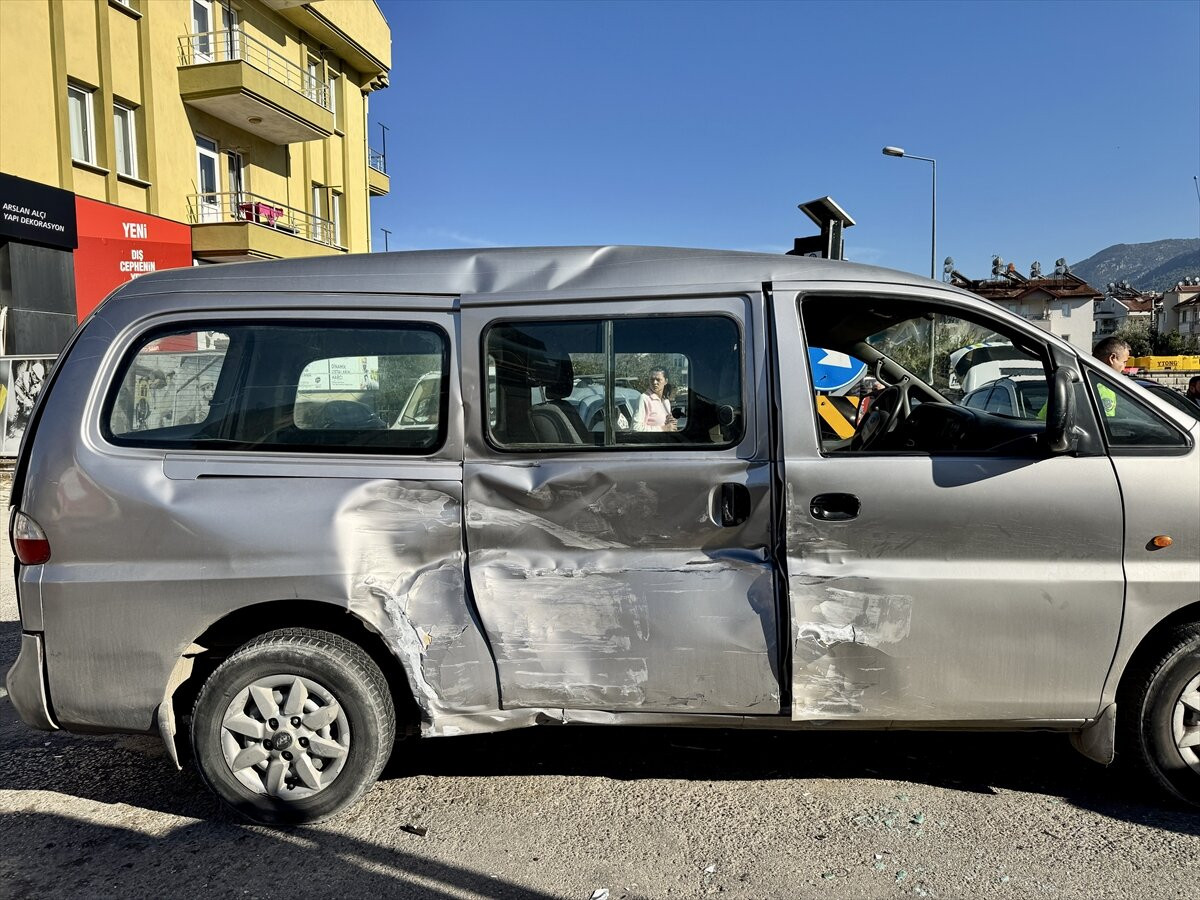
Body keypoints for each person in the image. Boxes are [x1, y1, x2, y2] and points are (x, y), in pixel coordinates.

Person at [633, 366, 677, 432]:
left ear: (666, 381)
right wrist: (663, 428)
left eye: (658, 380)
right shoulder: (644, 398)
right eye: (652, 379)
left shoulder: (666, 401)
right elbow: (635, 428)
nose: (654, 383)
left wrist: (670, 424)